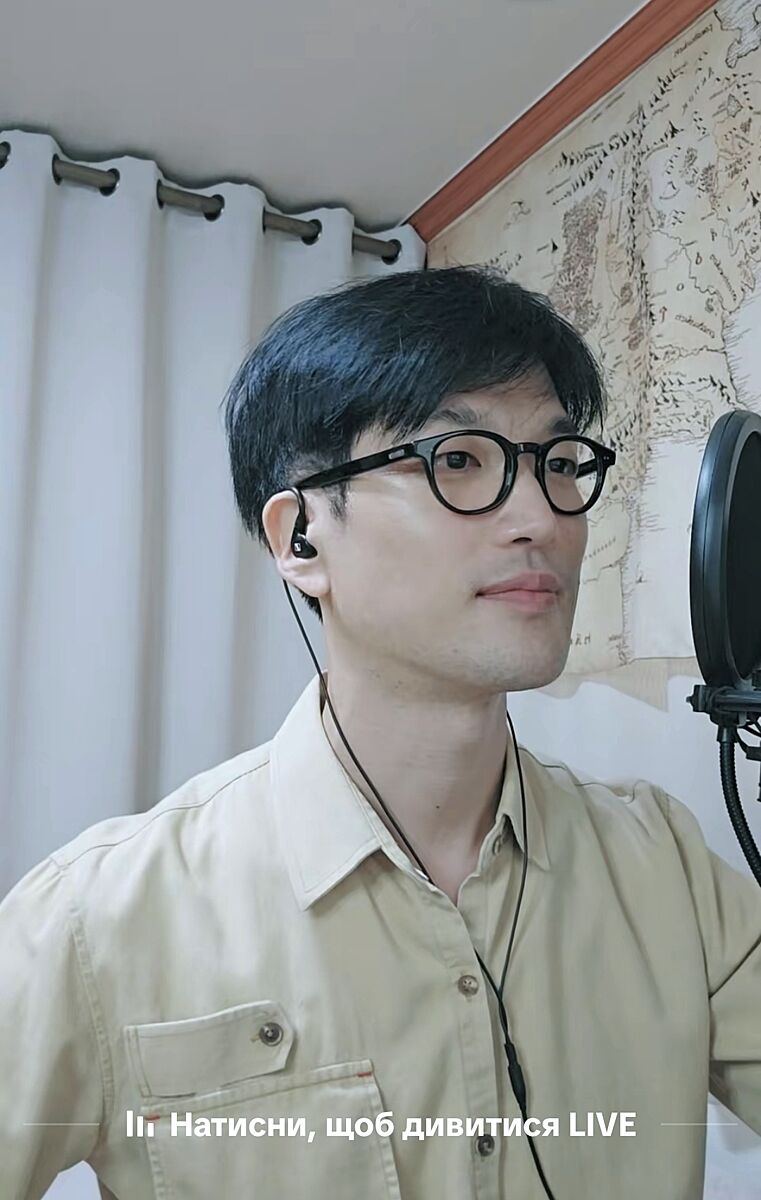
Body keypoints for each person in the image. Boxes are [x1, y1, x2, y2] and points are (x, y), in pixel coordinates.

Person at [1, 264, 760, 1200]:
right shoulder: (96, 919)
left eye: (559, 463)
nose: (538, 518)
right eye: (457, 460)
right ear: (300, 538)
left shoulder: (663, 864)